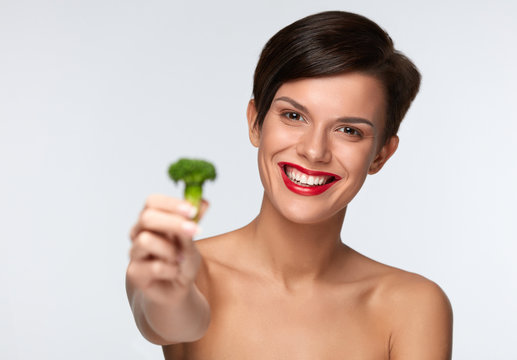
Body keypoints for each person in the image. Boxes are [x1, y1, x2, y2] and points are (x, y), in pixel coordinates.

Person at [126, 10, 453, 359]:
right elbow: (170, 322)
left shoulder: (413, 305)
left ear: (380, 156)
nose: (314, 151)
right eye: (293, 116)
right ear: (255, 123)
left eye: (349, 131)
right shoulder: (185, 271)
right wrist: (169, 293)